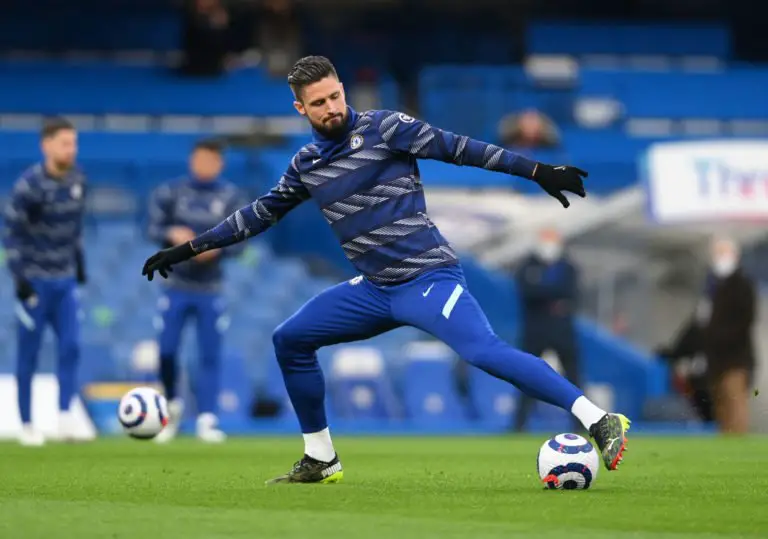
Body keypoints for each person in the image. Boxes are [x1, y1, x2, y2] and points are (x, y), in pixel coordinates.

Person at [141, 56, 630, 483]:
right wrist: (190, 248)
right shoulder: (306, 163)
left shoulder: (386, 128)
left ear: (343, 90)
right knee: (290, 340)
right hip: (374, 290)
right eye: (318, 103)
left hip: (428, 277)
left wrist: (538, 170)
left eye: (334, 96)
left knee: (483, 351)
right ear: (300, 109)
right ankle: (321, 457)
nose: (331, 108)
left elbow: (461, 148)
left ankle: (598, 418)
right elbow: (259, 214)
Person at [146, 139, 248, 443]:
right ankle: (171, 409)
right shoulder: (171, 192)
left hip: (210, 289)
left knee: (209, 354)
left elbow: (242, 239)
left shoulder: (231, 197)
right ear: (192, 161)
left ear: (219, 164)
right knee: (166, 351)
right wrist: (172, 234)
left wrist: (217, 248)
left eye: (210, 161)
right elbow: (151, 227)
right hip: (175, 286)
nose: (204, 166)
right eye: (200, 160)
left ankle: (207, 418)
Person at [2, 117, 89, 446]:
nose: (71, 149)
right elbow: (11, 234)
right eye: (65, 143)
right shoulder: (29, 186)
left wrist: (79, 265)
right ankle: (27, 424)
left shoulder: (78, 180)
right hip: (35, 282)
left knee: (71, 346)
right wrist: (20, 278)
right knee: (29, 353)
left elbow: (76, 229)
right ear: (46, 145)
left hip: (65, 281)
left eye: (74, 143)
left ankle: (65, 416)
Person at [659, 237, 756, 433]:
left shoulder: (742, 286)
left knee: (735, 407)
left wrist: (713, 338)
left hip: (734, 360)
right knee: (721, 411)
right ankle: (728, 448)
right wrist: (676, 352)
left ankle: (739, 447)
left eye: (723, 253)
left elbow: (742, 323)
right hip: (714, 362)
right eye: (717, 253)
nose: (719, 258)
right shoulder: (711, 288)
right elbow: (698, 326)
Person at [513, 227, 581, 433]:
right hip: (535, 331)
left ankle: (581, 422)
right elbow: (527, 292)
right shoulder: (527, 266)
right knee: (526, 376)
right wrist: (553, 296)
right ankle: (519, 424)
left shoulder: (567, 267)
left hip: (562, 331)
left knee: (573, 378)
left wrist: (543, 291)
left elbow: (571, 292)